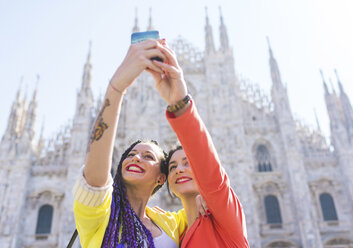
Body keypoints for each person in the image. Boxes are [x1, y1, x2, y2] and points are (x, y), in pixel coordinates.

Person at [72, 39, 190, 248]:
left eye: (148, 156)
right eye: (130, 154)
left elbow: (211, 187)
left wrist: (181, 102)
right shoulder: (100, 214)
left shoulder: (171, 222)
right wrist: (117, 88)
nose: (135, 157)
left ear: (161, 178)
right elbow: (95, 177)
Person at [147, 41, 250, 247]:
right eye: (173, 166)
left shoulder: (224, 221)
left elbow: (210, 171)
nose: (179, 170)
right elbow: (133, 205)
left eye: (188, 162)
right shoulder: (173, 234)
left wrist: (180, 103)